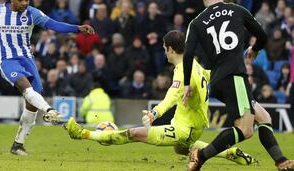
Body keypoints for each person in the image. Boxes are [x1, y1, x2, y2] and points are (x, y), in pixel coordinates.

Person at [64, 30, 257, 166]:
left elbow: (171, 97)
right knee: (181, 150)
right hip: (193, 126)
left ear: (171, 49)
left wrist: (153, 114)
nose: (164, 52)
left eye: (165, 48)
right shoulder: (195, 65)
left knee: (133, 134)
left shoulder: (183, 71)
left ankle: (83, 134)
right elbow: (210, 74)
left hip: (184, 128)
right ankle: (231, 153)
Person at [182, 0, 294, 171]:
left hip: (217, 80)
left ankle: (282, 162)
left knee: (264, 118)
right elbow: (263, 36)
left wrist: (186, 84)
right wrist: (255, 48)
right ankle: (200, 156)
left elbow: (188, 54)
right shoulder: (237, 10)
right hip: (234, 75)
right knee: (245, 129)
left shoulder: (196, 22)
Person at [0, 0, 94, 156]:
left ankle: (18, 145)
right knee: (25, 86)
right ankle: (50, 111)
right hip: (7, 59)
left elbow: (53, 25)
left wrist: (77, 28)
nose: (24, 3)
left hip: (26, 58)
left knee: (31, 103)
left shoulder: (32, 13)